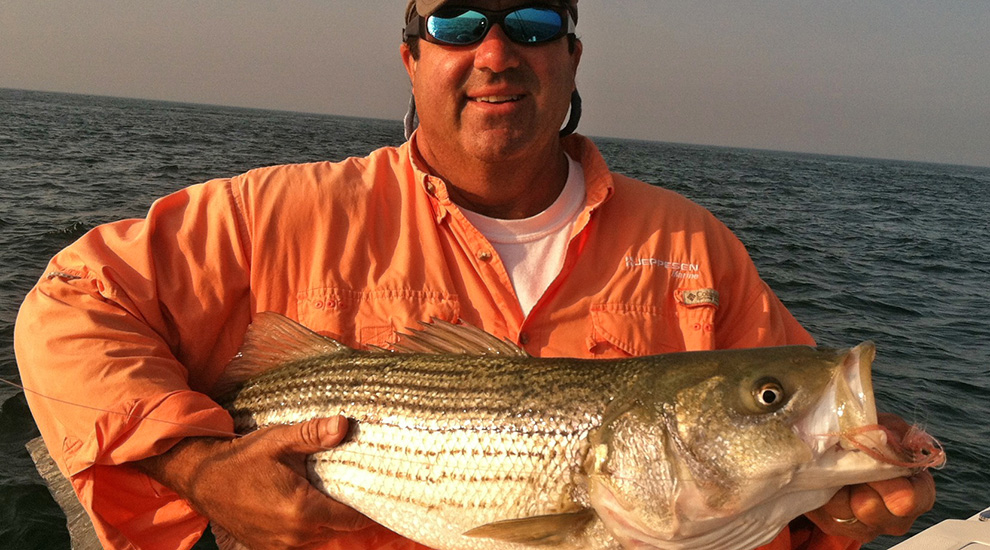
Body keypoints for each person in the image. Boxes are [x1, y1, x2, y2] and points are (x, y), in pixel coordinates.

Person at [14, 1, 936, 549]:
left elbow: (740, 500)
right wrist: (197, 467)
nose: (496, 53)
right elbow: (73, 303)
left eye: (533, 22)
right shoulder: (277, 213)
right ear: (412, 56)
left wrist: (839, 509)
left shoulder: (694, 246)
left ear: (571, 55)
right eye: (455, 22)